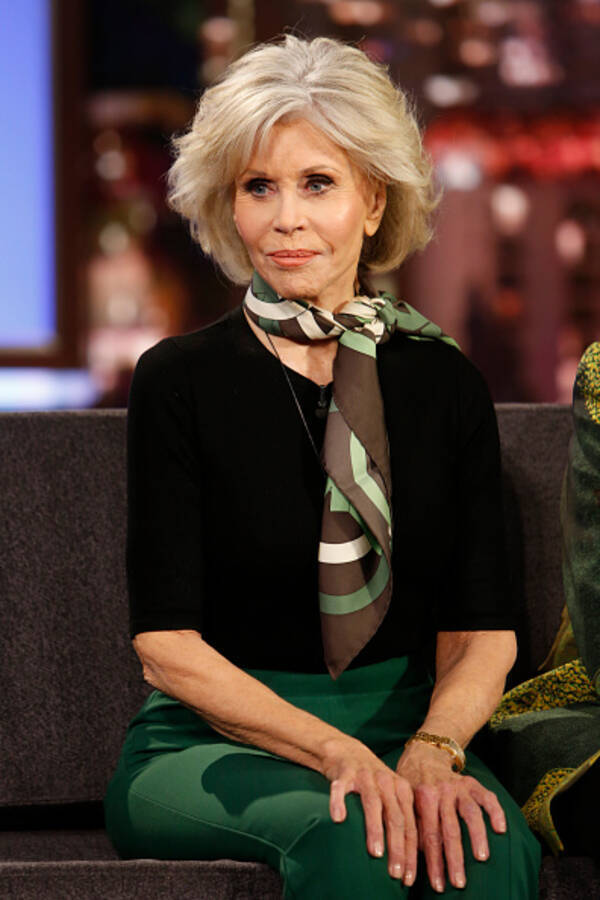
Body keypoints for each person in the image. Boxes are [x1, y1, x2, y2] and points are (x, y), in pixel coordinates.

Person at [104, 34, 541, 898]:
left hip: (412, 731)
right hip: (213, 741)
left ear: (373, 201)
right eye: (257, 187)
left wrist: (434, 749)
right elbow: (165, 648)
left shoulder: (444, 381)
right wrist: (338, 752)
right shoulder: (179, 380)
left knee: (485, 847)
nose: (285, 218)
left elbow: (482, 633)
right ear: (228, 204)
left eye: (317, 183)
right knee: (355, 835)